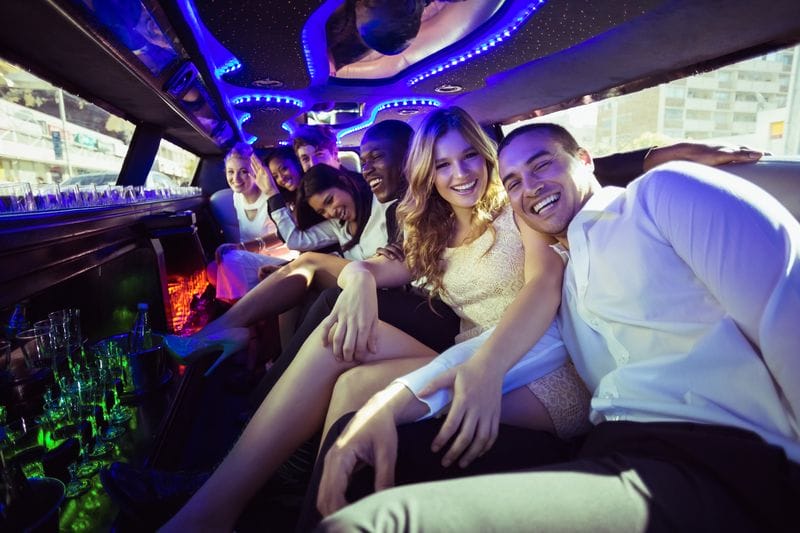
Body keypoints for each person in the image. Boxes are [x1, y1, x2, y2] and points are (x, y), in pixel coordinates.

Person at [312, 123, 800, 531]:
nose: (531, 187)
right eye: (516, 181)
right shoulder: (561, 279)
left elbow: (787, 315)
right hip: (611, 452)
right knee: (366, 463)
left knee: (371, 524)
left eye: (543, 164)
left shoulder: (661, 195)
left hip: (724, 456)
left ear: (586, 159)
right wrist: (387, 404)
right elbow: (508, 346)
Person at [157, 106, 597, 532]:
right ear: (427, 173)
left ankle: (273, 513)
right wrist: (363, 280)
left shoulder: (515, 209)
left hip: (534, 363)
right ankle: (254, 509)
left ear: (485, 156)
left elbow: (544, 286)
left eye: (468, 157)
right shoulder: (435, 230)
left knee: (353, 375)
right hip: (466, 352)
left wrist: (488, 367)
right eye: (442, 165)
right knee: (340, 339)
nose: (460, 174)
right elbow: (372, 267)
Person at [164, 161, 394, 372]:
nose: (332, 212)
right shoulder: (337, 225)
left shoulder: (379, 206)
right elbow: (296, 240)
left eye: (330, 200)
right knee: (291, 284)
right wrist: (286, 267)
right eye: (323, 211)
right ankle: (280, 365)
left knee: (308, 261)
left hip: (375, 284)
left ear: (344, 183)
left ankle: (211, 336)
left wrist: (272, 194)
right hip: (355, 279)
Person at [207, 142, 289, 302]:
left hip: (276, 258)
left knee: (230, 261)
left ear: (255, 172)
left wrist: (241, 248)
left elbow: (283, 235)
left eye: (244, 171)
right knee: (212, 268)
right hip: (248, 256)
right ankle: (249, 311)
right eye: (230, 172)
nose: (235, 178)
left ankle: (243, 314)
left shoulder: (271, 197)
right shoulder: (236, 196)